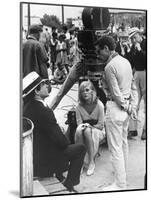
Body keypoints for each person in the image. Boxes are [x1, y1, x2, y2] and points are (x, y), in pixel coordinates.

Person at [23, 71, 86, 192]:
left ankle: (59, 175)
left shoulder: (27, 107)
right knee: (80, 149)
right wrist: (62, 133)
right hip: (43, 163)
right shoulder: (44, 111)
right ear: (36, 91)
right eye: (44, 84)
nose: (47, 86)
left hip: (34, 155)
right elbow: (62, 143)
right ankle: (69, 184)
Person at [94, 36, 138, 191]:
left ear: (107, 48)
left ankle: (120, 183)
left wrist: (126, 106)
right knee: (123, 143)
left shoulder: (109, 66)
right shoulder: (125, 61)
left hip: (115, 108)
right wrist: (132, 106)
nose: (98, 55)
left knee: (115, 148)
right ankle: (122, 176)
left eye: (99, 51)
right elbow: (133, 87)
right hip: (125, 110)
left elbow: (116, 94)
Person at [75, 80, 105, 176]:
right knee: (82, 131)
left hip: (98, 130)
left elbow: (101, 125)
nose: (85, 93)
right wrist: (86, 127)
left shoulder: (99, 105)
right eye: (82, 91)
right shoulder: (78, 107)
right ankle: (82, 162)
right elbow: (79, 123)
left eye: (87, 90)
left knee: (88, 131)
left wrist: (90, 127)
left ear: (92, 91)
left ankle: (91, 161)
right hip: (84, 130)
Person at [127, 27, 146, 139]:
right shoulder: (134, 46)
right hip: (136, 73)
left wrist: (139, 50)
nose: (134, 40)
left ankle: (145, 129)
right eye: (132, 38)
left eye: (135, 37)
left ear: (139, 34)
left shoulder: (146, 43)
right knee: (134, 101)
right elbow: (130, 61)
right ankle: (133, 129)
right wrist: (128, 51)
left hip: (145, 72)